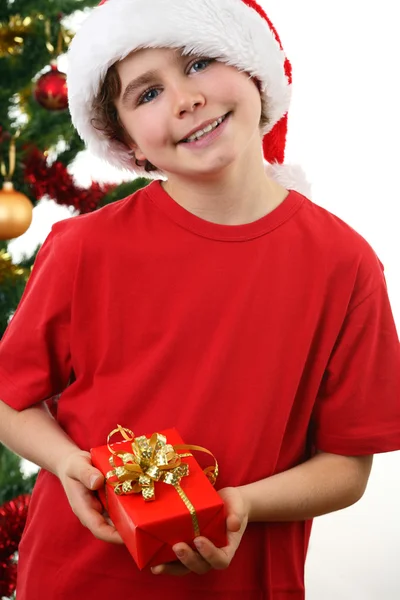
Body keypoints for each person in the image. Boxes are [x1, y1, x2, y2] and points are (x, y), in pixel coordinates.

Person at [0, 0, 399, 598]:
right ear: (125, 140)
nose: (184, 99)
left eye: (199, 61)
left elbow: (347, 466)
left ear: (256, 71)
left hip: (245, 584)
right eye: (146, 94)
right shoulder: (84, 248)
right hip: (76, 577)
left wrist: (242, 505)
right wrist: (67, 464)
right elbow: (10, 399)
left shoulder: (344, 264)